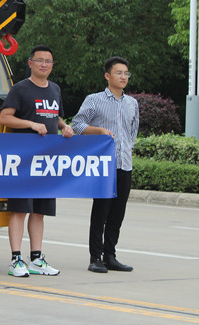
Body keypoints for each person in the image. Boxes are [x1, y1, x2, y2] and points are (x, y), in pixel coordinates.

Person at [0, 44, 74, 277]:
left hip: (47, 162)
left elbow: (53, 117)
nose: (44, 64)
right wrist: (31, 125)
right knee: (20, 209)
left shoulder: (54, 90)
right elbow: (5, 117)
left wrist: (64, 126)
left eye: (48, 61)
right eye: (39, 60)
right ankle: (15, 260)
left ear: (52, 66)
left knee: (40, 211)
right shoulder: (20, 89)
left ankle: (36, 258)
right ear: (30, 63)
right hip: (23, 160)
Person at [71, 56, 139, 274]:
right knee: (101, 212)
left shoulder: (132, 103)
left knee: (118, 213)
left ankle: (111, 256)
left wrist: (127, 149)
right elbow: (78, 125)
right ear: (107, 76)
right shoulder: (95, 100)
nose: (123, 77)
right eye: (118, 73)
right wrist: (99, 131)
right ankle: (95, 257)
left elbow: (132, 132)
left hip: (124, 164)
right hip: (103, 166)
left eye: (126, 73)